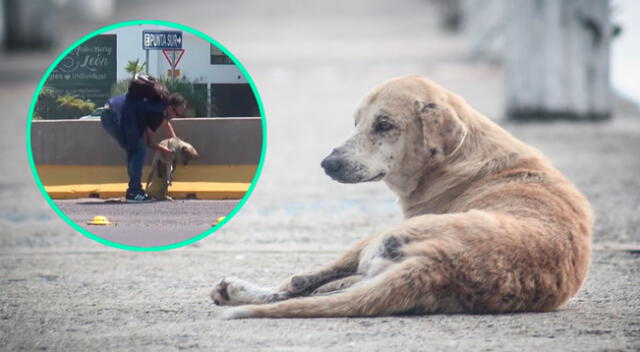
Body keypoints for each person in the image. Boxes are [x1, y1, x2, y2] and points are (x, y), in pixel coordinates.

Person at [100, 74, 187, 202]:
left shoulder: (161, 101)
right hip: (115, 116)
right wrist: (164, 150)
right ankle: (134, 192)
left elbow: (165, 123)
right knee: (138, 149)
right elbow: (150, 142)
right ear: (170, 107)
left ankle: (134, 190)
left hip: (112, 111)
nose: (176, 117)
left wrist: (175, 142)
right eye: (177, 113)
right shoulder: (158, 112)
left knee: (134, 148)